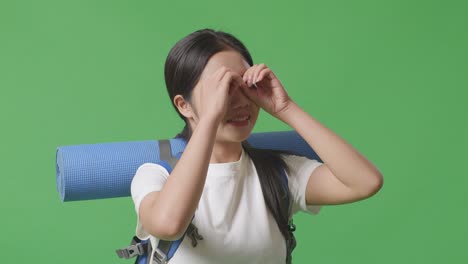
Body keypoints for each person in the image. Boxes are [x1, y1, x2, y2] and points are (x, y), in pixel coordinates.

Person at [130, 28, 384, 264]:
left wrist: (285, 108)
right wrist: (211, 116)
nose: (240, 101)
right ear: (184, 105)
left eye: (245, 84)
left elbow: (365, 182)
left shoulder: (279, 174)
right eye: (223, 88)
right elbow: (170, 224)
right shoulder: (156, 175)